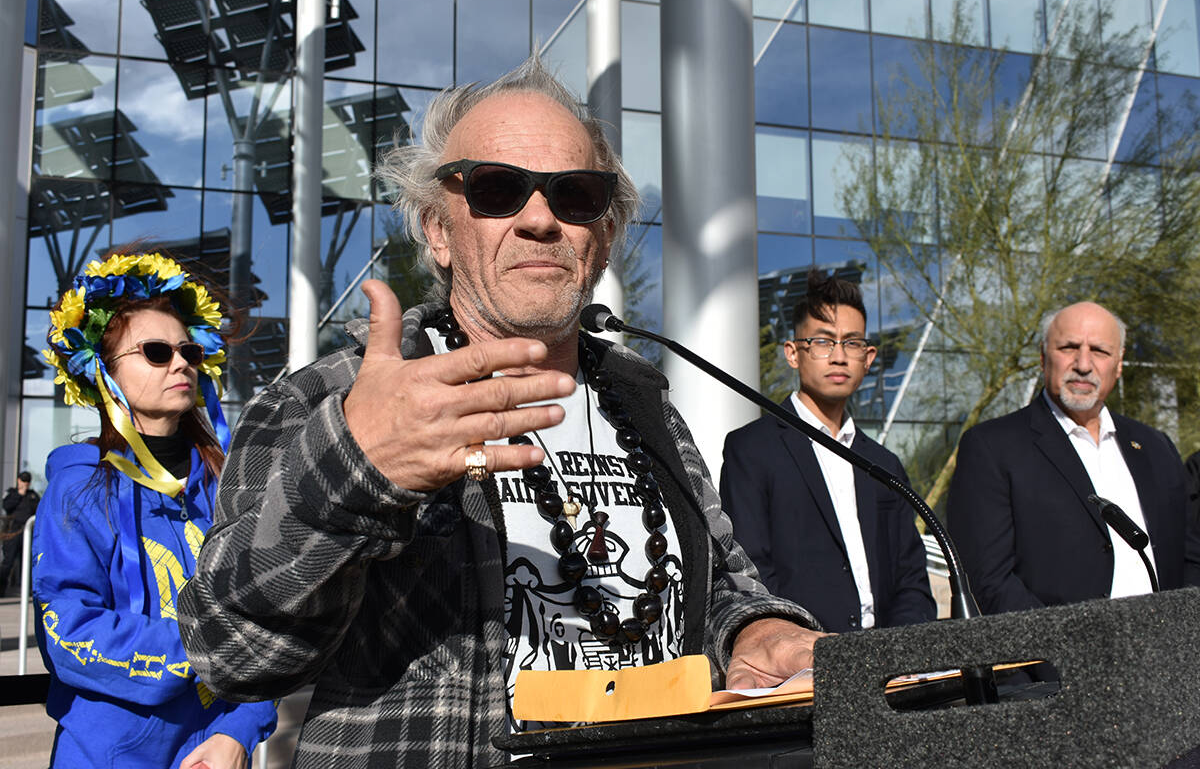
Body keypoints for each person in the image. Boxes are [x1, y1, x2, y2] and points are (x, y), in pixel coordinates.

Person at [177, 56, 824, 768]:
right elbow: (229, 652)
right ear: (439, 231)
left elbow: (722, 588)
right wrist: (353, 478)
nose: (539, 219)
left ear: (602, 237)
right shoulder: (329, 401)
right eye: (497, 189)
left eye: (575, 194)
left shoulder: (648, 406)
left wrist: (756, 632)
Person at [34, 252, 277, 768]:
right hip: (107, 756)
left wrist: (238, 731)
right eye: (156, 351)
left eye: (188, 349)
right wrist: (204, 641)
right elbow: (69, 630)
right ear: (104, 372)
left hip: (219, 751)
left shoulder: (226, 483)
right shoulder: (77, 489)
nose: (181, 362)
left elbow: (270, 621)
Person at [947, 301, 1200, 614]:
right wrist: (1065, 656)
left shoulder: (1156, 446)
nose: (1083, 364)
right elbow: (989, 579)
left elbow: (1190, 558)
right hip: (1055, 658)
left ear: (1118, 364)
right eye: (1069, 347)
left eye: (1099, 351)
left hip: (1162, 654)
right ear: (1043, 357)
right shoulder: (992, 447)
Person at [720, 270, 935, 631]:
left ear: (868, 358)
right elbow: (750, 567)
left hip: (892, 660)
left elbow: (911, 575)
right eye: (822, 342)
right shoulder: (752, 449)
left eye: (851, 343)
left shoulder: (885, 465)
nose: (838, 357)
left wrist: (899, 648)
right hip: (801, 660)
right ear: (793, 353)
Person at [0, 470, 40, 594]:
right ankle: (1, 589)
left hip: (28, 532)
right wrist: (19, 494)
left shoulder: (33, 495)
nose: (26, 483)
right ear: (18, 480)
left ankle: (27, 591)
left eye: (28, 481)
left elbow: (38, 510)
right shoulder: (11, 493)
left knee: (28, 562)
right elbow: (6, 507)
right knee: (8, 561)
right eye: (23, 480)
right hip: (13, 531)